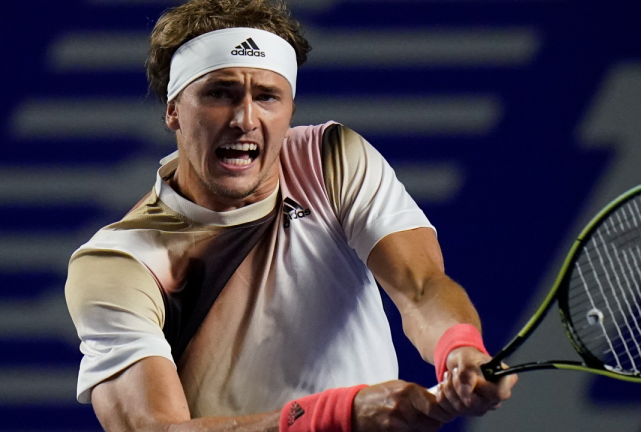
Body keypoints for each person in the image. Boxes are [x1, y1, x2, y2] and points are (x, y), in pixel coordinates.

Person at [64, 1, 517, 431]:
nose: (244, 118)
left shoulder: (330, 160)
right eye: (219, 93)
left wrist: (458, 348)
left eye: (266, 96)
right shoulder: (120, 263)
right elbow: (155, 427)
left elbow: (420, 287)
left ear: (290, 111)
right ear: (173, 111)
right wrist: (338, 416)